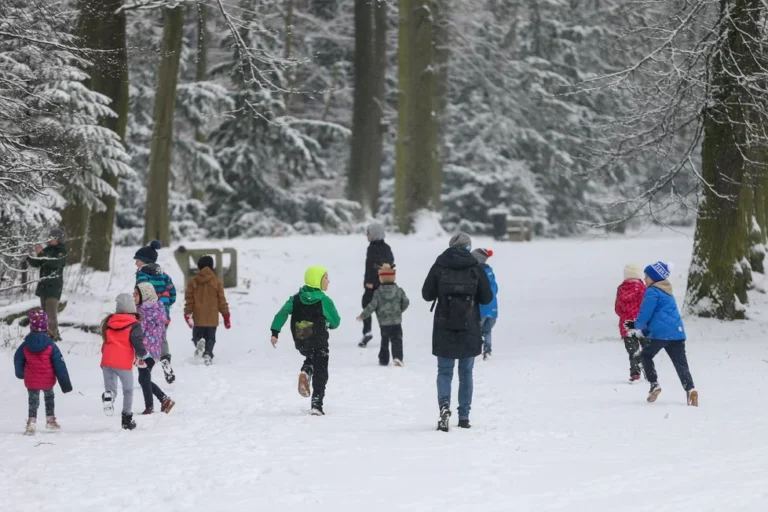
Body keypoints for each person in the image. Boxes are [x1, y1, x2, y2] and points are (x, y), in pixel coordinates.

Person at [422, 233, 493, 431]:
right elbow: (487, 298)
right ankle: (464, 416)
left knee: (444, 371)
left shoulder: (440, 265)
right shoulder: (475, 267)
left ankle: (444, 406)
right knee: (466, 372)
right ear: (469, 247)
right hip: (469, 326)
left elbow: (426, 294)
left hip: (444, 325)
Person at [624, 261, 698, 406]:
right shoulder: (668, 292)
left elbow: (646, 313)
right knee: (681, 364)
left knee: (645, 356)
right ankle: (691, 390)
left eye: (647, 276)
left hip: (660, 334)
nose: (644, 279)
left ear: (654, 277)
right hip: (677, 334)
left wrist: (636, 325)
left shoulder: (652, 291)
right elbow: (659, 318)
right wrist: (643, 330)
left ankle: (654, 385)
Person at [270, 266, 341, 416]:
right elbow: (336, 322)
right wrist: (329, 324)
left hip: (301, 340)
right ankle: (317, 404)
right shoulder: (324, 300)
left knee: (311, 357)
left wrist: (275, 332)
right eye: (326, 278)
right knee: (321, 371)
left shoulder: (296, 298)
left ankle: (306, 371)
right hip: (319, 341)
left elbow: (282, 313)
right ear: (318, 280)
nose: (328, 281)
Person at [14, 309, 72, 435]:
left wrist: (20, 374)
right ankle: (50, 420)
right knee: (49, 398)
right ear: (45, 325)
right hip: (48, 380)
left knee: (33, 401)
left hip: (31, 380)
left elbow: (17, 359)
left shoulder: (26, 344)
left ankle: (31, 422)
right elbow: (59, 364)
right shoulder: (50, 345)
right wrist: (65, 384)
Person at [100, 293, 148, 430]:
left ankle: (109, 396)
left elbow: (105, 342)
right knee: (128, 390)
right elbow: (137, 342)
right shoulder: (134, 324)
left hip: (107, 360)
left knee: (111, 389)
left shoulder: (109, 322)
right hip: (123, 362)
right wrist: (143, 354)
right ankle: (127, 419)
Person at [134, 240, 177, 384]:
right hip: (162, 314)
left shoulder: (142, 275)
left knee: (145, 339)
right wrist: (164, 306)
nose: (136, 263)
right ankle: (165, 359)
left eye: (138, 260)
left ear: (145, 261)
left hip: (145, 314)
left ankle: (146, 369)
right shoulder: (165, 276)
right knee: (161, 337)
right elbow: (173, 295)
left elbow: (140, 293)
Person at [356, 263, 409, 366]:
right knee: (397, 339)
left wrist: (363, 315)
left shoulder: (378, 292)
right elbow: (406, 302)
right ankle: (398, 357)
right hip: (396, 321)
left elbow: (372, 306)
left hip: (384, 322)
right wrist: (399, 311)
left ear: (381, 278)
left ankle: (383, 359)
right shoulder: (399, 291)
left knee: (384, 340)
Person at [134, 283, 175, 414]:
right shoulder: (159, 310)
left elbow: (139, 331)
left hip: (144, 351)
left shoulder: (142, 312)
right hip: (155, 351)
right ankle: (164, 400)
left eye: (136, 294)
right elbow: (162, 333)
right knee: (144, 378)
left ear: (144, 295)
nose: (133, 296)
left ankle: (150, 406)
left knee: (144, 378)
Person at [183, 255, 231, 365]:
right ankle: (208, 354)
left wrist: (187, 313)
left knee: (196, 336)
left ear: (199, 267)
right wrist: (226, 316)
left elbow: (189, 300)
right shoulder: (217, 282)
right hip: (212, 317)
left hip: (198, 317)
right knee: (211, 338)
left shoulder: (193, 282)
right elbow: (222, 301)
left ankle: (199, 343)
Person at [26, 228, 67, 341]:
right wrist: (29, 257)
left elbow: (54, 262)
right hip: (44, 286)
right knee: (44, 313)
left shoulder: (61, 252)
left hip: (54, 287)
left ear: (58, 239)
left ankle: (53, 336)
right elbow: (39, 262)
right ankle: (48, 334)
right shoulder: (47, 250)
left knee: (51, 313)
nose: (49, 239)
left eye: (52, 238)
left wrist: (41, 253)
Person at [359, 223, 394, 348]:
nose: (366, 235)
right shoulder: (387, 248)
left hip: (373, 285)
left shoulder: (372, 249)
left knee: (367, 306)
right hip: (386, 283)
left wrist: (369, 282)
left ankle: (367, 331)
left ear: (374, 234)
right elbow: (391, 263)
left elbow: (371, 266)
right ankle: (387, 332)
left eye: (368, 233)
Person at [615, 264, 647, 383]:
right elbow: (647, 306)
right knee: (647, 350)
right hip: (642, 324)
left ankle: (635, 374)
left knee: (633, 351)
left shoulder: (621, 289)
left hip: (626, 326)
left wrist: (625, 316)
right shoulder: (643, 289)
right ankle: (649, 372)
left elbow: (617, 308)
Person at [471, 248, 498, 360]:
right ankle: (487, 350)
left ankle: (474, 351)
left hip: (482, 309)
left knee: (476, 330)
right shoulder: (489, 271)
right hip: (493, 310)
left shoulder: (476, 271)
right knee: (487, 331)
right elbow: (495, 289)